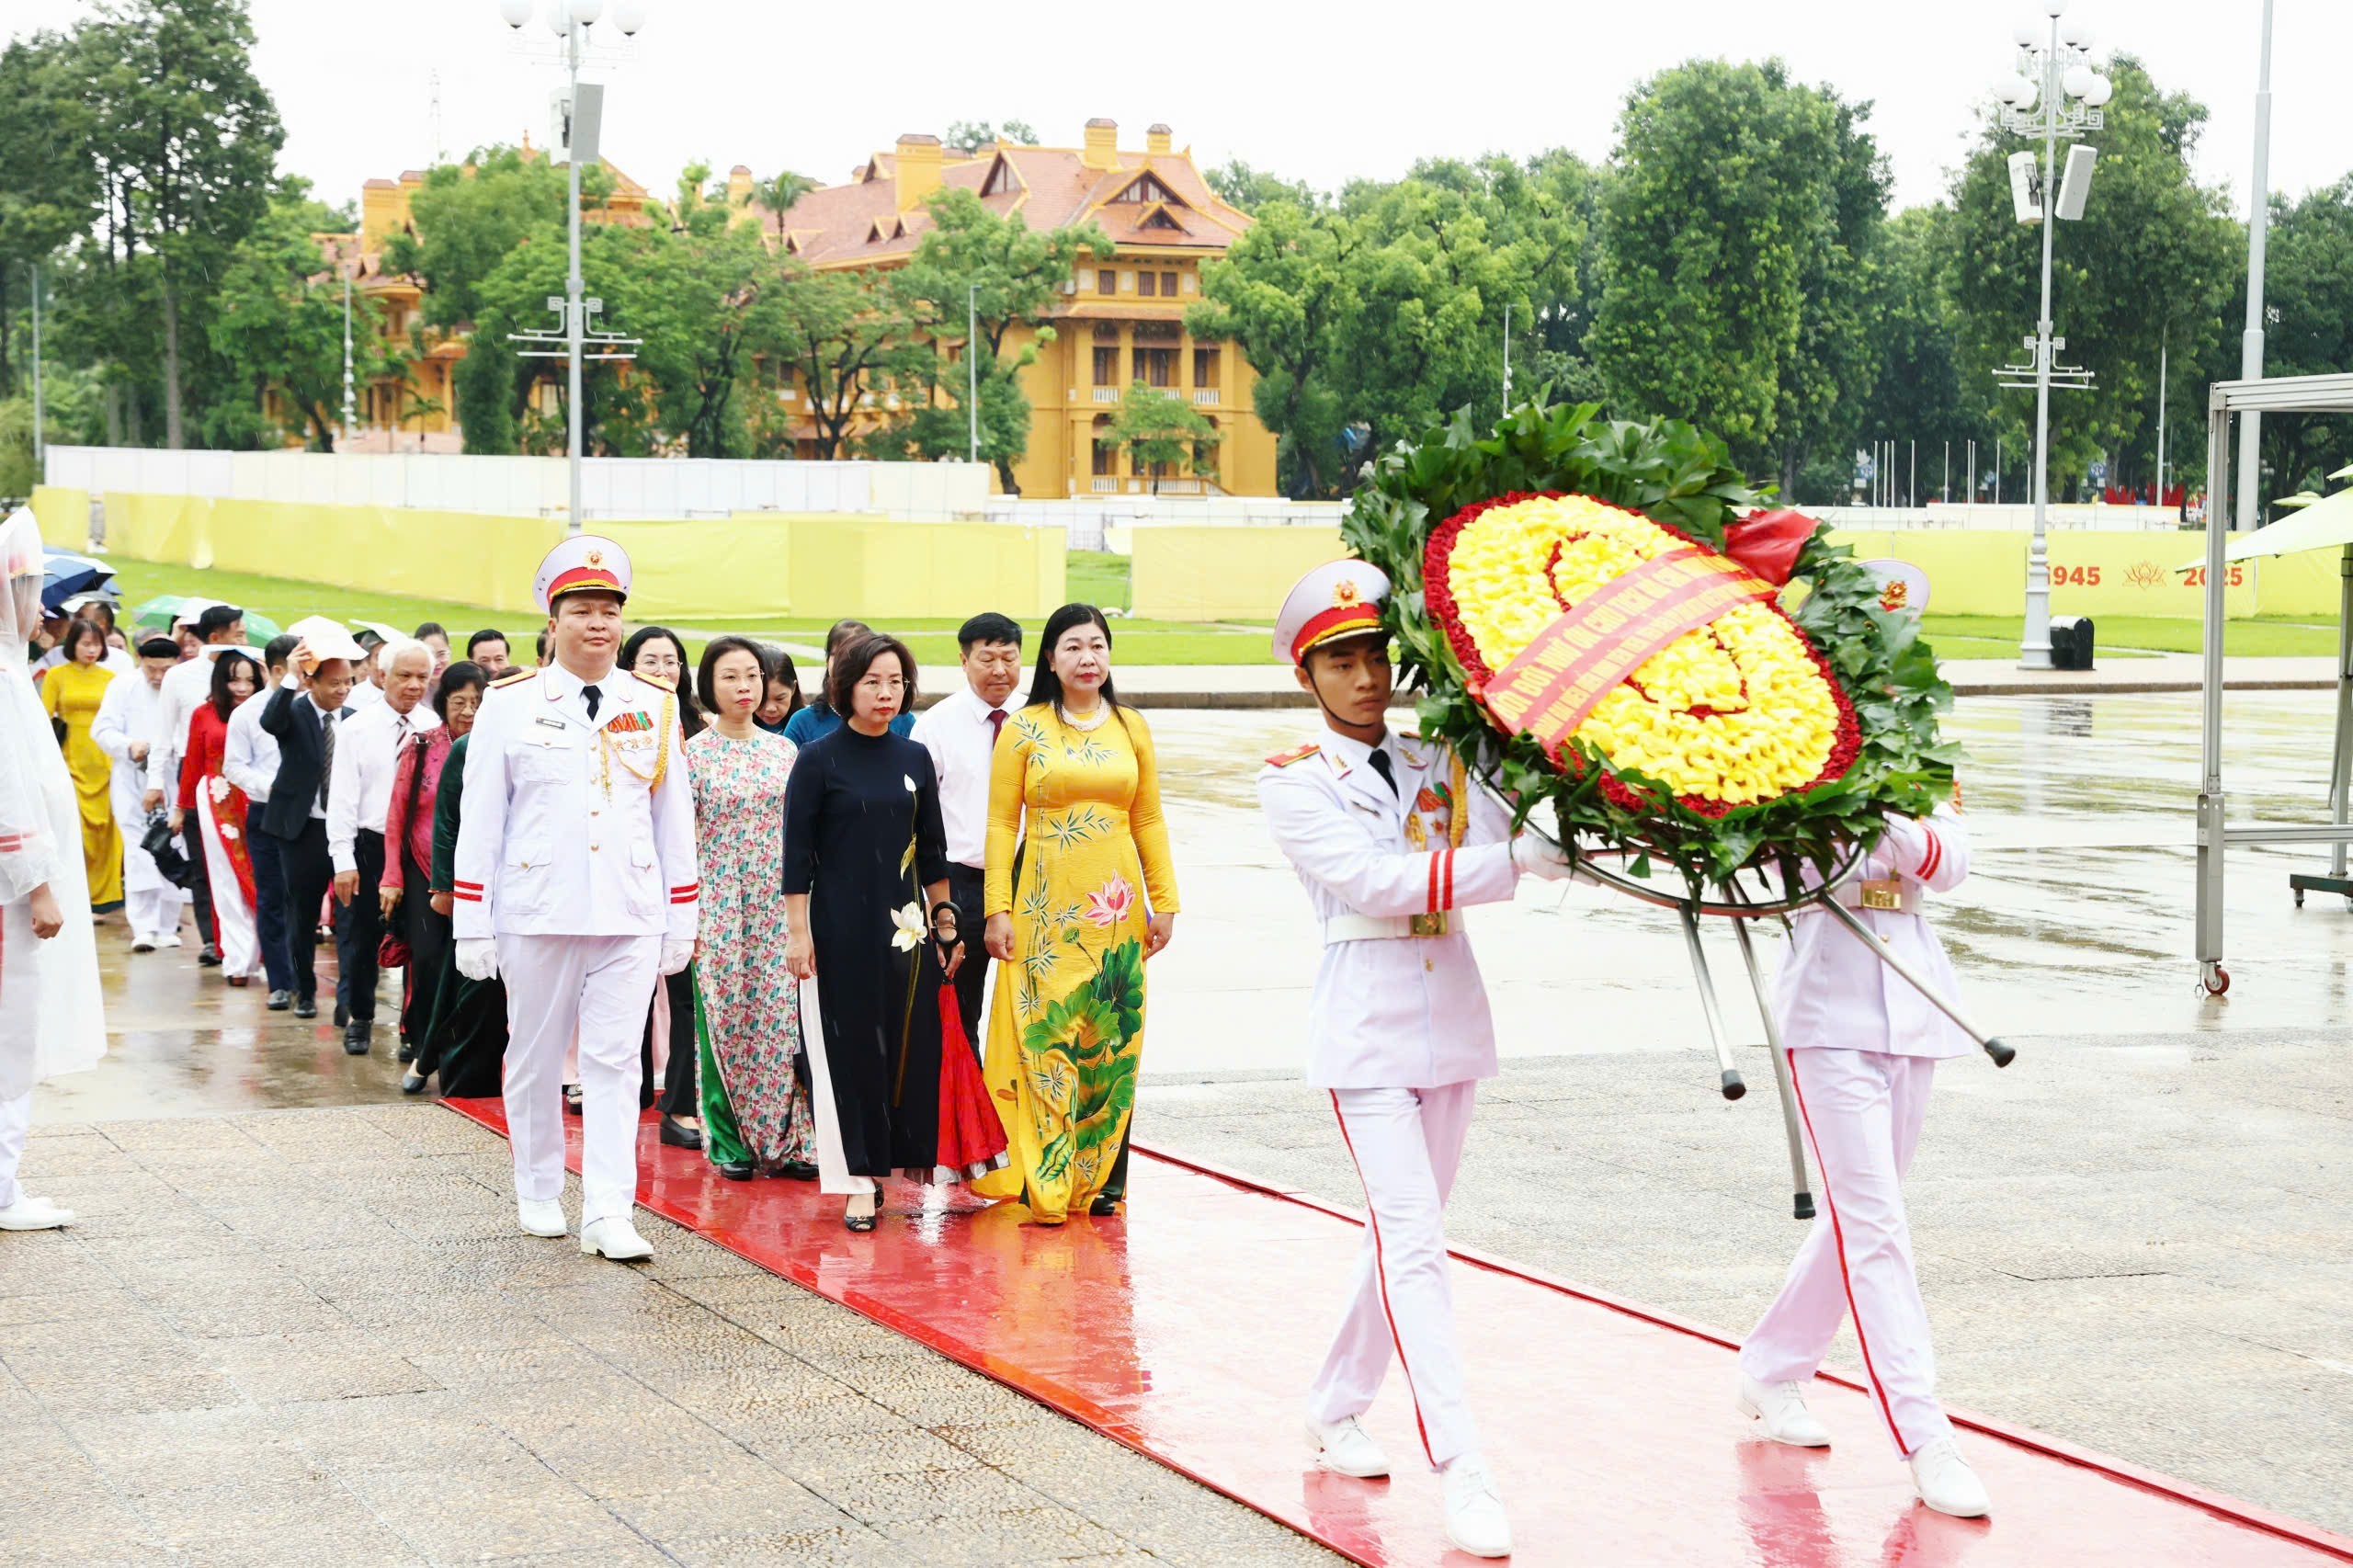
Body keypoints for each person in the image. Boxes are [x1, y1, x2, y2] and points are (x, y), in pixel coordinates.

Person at [1257, 561, 1575, 1560]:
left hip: (1452, 1017)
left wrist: (1547, 818)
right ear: (1306, 674)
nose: (1363, 677)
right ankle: (1463, 1468)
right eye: (1339, 661)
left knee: (1408, 1232)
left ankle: (1335, 1400)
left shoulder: (1438, 754)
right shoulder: (1294, 779)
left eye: (1374, 655)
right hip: (1366, 1029)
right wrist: (1506, 861)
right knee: (1416, 1243)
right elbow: (1369, 878)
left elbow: (1511, 822)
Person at [1733, 801, 1989, 1518]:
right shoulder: (1798, 748)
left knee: (1863, 1218)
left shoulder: (1913, 744)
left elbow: (1952, 864)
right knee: (1874, 1227)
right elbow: (1754, 867)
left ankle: (1772, 1365)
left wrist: (1880, 819)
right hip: (1827, 1005)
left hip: (1913, 999)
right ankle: (1924, 1435)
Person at [453, 536, 697, 1263]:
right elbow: (483, 818)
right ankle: (536, 1187)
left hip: (626, 909)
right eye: (583, 611)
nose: (599, 624)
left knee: (618, 1063)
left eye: (610, 612)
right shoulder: (512, 703)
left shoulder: (652, 704)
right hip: (539, 908)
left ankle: (608, 1210)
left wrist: (679, 915)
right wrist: (474, 921)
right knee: (531, 1055)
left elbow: (672, 819)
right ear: (553, 621)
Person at [975, 604, 1176, 1225]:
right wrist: (996, 909)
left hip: (1114, 915)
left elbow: (1147, 817)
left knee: (1108, 1043)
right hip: (1042, 915)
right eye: (1073, 647)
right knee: (1046, 1042)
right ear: (1051, 659)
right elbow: (1002, 822)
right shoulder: (1026, 728)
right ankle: (1048, 1180)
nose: (1088, 658)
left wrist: (1164, 900)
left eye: (1097, 646)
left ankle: (1100, 1182)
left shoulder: (1130, 727)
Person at [782, 632, 962, 1232]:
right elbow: (797, 857)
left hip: (907, 934)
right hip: (839, 932)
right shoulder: (817, 759)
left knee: (905, 1054)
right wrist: (798, 934)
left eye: (895, 682)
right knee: (848, 1054)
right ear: (846, 687)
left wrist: (946, 926)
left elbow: (933, 852)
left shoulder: (913, 757)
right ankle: (857, 1181)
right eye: (872, 682)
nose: (886, 694)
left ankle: (893, 1169)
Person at [0, 507, 107, 1230]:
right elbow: (10, 792)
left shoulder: (14, 669)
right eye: (31, 587)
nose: (41, 604)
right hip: (11, 899)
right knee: (13, 1032)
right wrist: (38, 885)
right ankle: (4, 1190)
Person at [689, 636, 816, 1180]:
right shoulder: (691, 755)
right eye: (730, 677)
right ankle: (729, 1141)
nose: (744, 688)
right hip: (716, 905)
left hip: (778, 905)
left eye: (751, 676)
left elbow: (804, 835)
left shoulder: (785, 752)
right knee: (725, 1017)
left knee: (783, 1020)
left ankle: (791, 1141)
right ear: (708, 687)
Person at [912, 611, 1025, 1043]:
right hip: (962, 884)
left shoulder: (1038, 719)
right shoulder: (935, 727)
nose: (1000, 669)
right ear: (963, 660)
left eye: (1009, 658)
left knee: (1030, 1000)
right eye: (987, 658)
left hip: (1027, 877)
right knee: (960, 1005)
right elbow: (919, 817)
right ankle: (964, 1103)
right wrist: (929, 897)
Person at [327, 638, 440, 1054]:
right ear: (382, 675)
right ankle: (360, 1016)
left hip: (417, 849)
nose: (413, 685)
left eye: (421, 677)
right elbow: (341, 798)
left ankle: (413, 1029)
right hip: (368, 845)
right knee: (361, 936)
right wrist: (342, 858)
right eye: (404, 676)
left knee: (419, 938)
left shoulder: (433, 727)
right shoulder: (357, 727)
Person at [381, 661, 483, 1095]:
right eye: (459, 702)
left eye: (477, 702)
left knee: (466, 969)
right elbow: (397, 816)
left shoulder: (495, 746)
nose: (468, 711)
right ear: (443, 704)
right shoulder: (423, 745)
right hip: (424, 872)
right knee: (426, 962)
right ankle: (421, 1041)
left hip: (478, 878)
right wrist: (392, 877)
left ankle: (451, 1049)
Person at [620, 625, 704, 1136]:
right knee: (625, 987)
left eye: (671, 661)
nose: (663, 671)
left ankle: (678, 1103)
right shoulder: (622, 722)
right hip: (630, 874)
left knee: (683, 993)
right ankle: (617, 1086)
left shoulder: (699, 727)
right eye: (650, 661)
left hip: (686, 876)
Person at [257, 636, 359, 1020]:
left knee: (350, 917)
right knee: (301, 914)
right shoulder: (294, 711)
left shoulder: (352, 720)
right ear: (312, 682)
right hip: (302, 830)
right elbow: (270, 721)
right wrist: (290, 680)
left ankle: (347, 999)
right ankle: (304, 989)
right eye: (333, 683)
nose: (342, 689)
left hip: (343, 832)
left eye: (347, 682)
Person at [149, 602, 247, 965]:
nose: (244, 640)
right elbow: (164, 734)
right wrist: (155, 782)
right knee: (206, 860)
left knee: (244, 860)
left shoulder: (245, 672)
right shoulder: (181, 676)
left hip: (243, 779)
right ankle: (211, 937)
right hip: (197, 776)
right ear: (215, 637)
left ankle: (245, 934)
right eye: (239, 633)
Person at [420, 714, 508, 1098]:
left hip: (534, 887)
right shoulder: (469, 747)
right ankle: (465, 1079)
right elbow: (448, 822)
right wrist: (446, 886)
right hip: (479, 888)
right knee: (475, 985)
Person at [175, 651, 267, 987]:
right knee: (227, 878)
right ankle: (238, 958)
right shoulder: (203, 713)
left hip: (258, 797)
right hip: (216, 799)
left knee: (262, 875)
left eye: (249, 679)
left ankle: (267, 951)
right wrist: (180, 808)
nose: (242, 687)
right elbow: (193, 763)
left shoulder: (267, 712)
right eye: (234, 679)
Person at [91, 636, 188, 951]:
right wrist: (128, 745)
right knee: (137, 849)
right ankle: (143, 926)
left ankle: (167, 923)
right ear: (138, 659)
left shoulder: (183, 685)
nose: (158, 677)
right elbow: (102, 730)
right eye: (151, 669)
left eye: (165, 669)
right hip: (132, 778)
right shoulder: (123, 686)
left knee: (175, 845)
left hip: (174, 777)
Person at [223, 634, 302, 1007]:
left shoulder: (309, 706)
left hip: (309, 815)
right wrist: (272, 787)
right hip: (267, 811)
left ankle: (304, 979)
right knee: (272, 897)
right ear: (276, 670)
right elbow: (233, 766)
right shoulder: (247, 714)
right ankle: (281, 983)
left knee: (303, 898)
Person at [39, 619, 121, 915]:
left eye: (97, 644)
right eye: (86, 643)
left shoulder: (111, 679)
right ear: (72, 643)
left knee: (107, 830)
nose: (92, 649)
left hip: (105, 761)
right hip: (69, 759)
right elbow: (44, 718)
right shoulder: (57, 675)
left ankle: (107, 895)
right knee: (75, 827)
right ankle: (75, 892)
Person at [783, 619, 914, 744]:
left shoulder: (903, 720)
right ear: (827, 660)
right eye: (839, 655)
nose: (845, 664)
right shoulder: (803, 723)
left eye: (853, 656)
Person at [754, 648, 802, 734]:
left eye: (780, 699)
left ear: (793, 688)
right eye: (762, 699)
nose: (770, 708)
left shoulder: (808, 725)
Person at [412, 622, 451, 687]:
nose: (436, 662)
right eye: (429, 656)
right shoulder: (409, 691)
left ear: (449, 650)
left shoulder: (462, 685)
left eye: (441, 654)